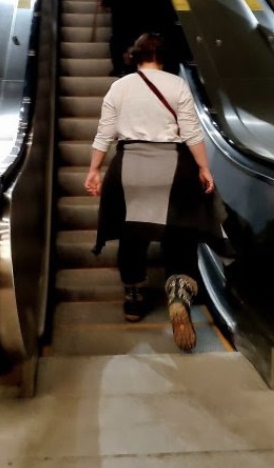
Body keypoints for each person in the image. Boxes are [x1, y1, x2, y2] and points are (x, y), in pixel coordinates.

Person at [84, 32, 220, 352]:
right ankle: (178, 292)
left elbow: (105, 133)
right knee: (179, 232)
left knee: (132, 232)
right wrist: (203, 167)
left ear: (136, 56)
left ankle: (133, 297)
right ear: (164, 57)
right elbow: (191, 132)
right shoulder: (177, 85)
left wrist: (94, 169)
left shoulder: (120, 87)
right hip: (172, 165)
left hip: (130, 165)